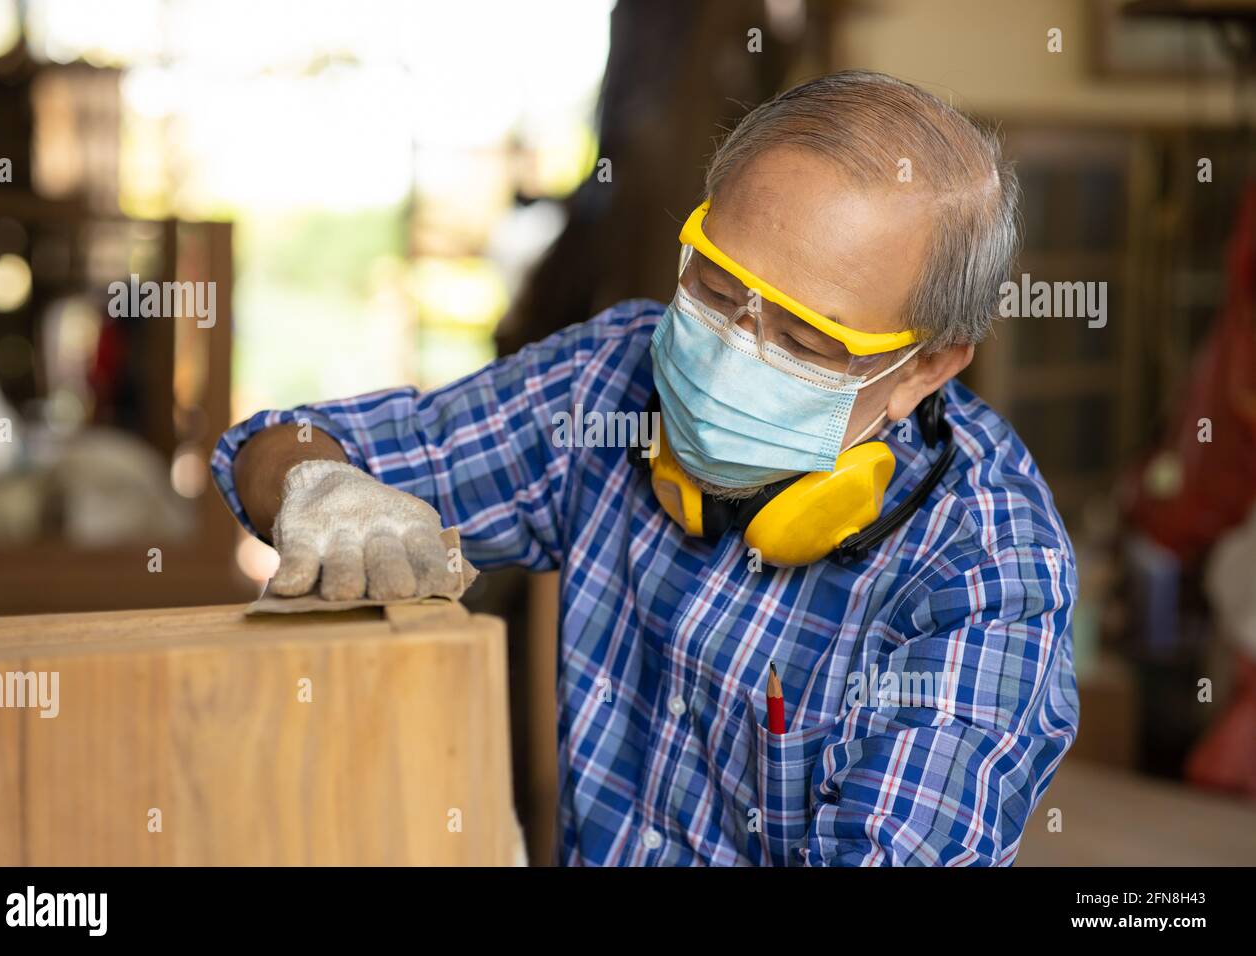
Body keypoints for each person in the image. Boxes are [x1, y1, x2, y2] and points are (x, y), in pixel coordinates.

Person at [213, 71, 1079, 866]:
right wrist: (317, 488)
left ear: (924, 369)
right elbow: (282, 443)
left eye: (806, 341)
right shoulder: (605, 383)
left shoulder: (990, 574)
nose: (731, 351)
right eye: (712, 286)